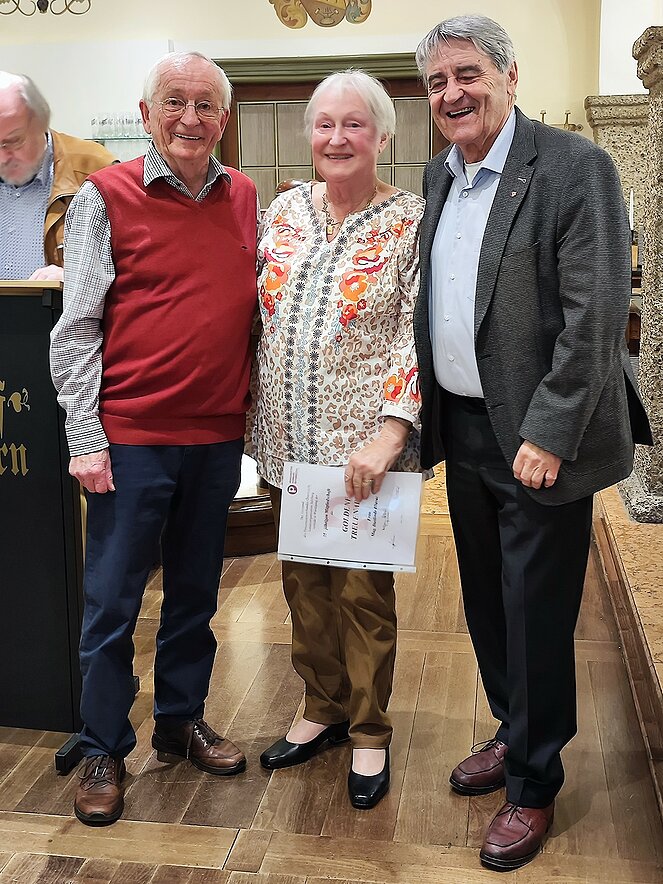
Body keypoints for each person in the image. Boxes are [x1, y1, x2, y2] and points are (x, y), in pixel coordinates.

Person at [413, 14, 653, 872]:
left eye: (467, 74)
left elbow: (595, 317)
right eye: (436, 82)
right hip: (464, 426)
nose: (452, 94)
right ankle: (513, 730)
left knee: (535, 613)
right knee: (486, 602)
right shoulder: (440, 174)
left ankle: (533, 781)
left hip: (540, 434)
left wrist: (549, 431)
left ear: (508, 77)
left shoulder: (573, 166)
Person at [50, 51, 258, 826]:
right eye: (174, 102)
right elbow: (77, 326)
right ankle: (103, 744)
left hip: (215, 436)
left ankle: (180, 719)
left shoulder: (245, 196)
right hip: (130, 437)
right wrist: (85, 433)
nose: (190, 119)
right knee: (112, 603)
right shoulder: (104, 196)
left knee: (196, 594)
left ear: (223, 119)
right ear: (146, 114)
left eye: (205, 105)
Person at [248, 70, 424, 810]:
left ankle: (370, 731)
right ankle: (322, 706)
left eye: (354, 124)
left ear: (382, 135)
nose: (337, 138)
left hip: (363, 452)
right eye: (325, 124)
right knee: (303, 588)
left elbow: (415, 333)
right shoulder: (283, 212)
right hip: (287, 442)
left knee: (361, 596)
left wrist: (391, 432)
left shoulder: (410, 221)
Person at [0, 71, 115, 282]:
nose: (2, 157)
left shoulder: (96, 170)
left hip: (58, 304)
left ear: (41, 123)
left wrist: (74, 278)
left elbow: (136, 267)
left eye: (14, 141)